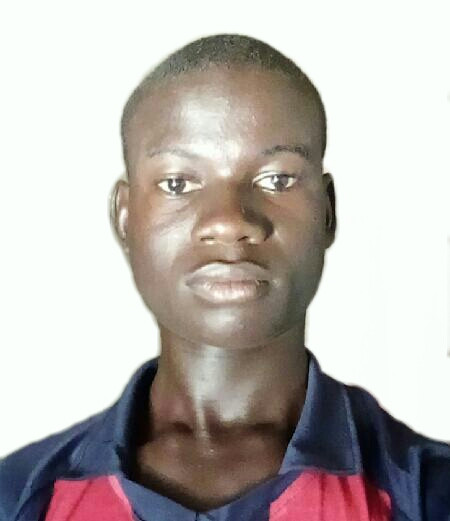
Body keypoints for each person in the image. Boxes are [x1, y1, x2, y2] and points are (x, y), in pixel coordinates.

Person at [0, 33, 449, 521]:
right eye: (178, 183)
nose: (230, 220)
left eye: (277, 179)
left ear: (327, 212)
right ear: (125, 218)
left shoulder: (429, 493)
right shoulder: (19, 497)